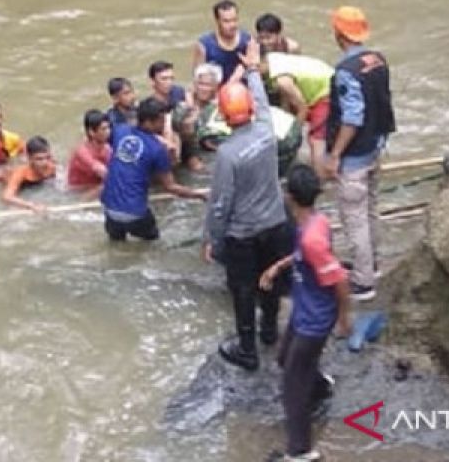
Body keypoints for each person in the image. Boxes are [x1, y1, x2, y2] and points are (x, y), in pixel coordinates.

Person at [203, 39, 294, 371]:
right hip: (275, 223)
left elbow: (219, 204)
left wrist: (211, 240)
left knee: (243, 289)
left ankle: (247, 349)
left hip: (243, 235)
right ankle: (269, 331)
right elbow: (260, 101)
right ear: (250, 111)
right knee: (268, 281)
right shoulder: (267, 131)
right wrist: (253, 69)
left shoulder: (227, 154)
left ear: (225, 117)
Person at [260, 165, 351, 462]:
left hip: (315, 319)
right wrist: (280, 266)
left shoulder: (312, 238)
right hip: (304, 310)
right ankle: (321, 387)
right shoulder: (316, 222)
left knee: (291, 389)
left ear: (289, 197)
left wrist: (343, 319)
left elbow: (339, 278)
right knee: (286, 358)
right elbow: (306, 255)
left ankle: (301, 451)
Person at [318, 6, 395, 302]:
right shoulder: (378, 60)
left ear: (339, 34)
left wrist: (335, 154)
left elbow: (352, 118)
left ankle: (363, 283)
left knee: (354, 218)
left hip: (355, 156)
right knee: (370, 208)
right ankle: (371, 265)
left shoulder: (345, 72)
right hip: (376, 146)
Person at [100, 97, 208, 241]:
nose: (164, 124)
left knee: (116, 245)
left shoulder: (119, 131)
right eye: (161, 121)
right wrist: (200, 196)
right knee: (154, 244)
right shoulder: (157, 150)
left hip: (109, 208)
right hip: (135, 214)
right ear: (149, 122)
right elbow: (171, 187)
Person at [261, 51, 334, 169]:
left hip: (327, 92)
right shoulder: (272, 58)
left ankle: (319, 177)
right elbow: (286, 101)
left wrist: (293, 137)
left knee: (316, 139)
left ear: (262, 61)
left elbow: (303, 109)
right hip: (324, 78)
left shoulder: (282, 81)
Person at [194, 0, 252, 86]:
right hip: (216, 95)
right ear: (217, 21)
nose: (232, 25)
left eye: (234, 20)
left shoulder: (248, 41)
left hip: (243, 93)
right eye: (226, 21)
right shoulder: (204, 45)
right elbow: (197, 80)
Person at [0, 136, 56, 214]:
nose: (45, 163)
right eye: (39, 159)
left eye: (47, 157)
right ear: (29, 159)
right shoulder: (21, 173)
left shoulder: (52, 167)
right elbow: (6, 197)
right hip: (9, 179)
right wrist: (31, 205)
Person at [67, 109, 112, 197]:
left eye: (108, 127)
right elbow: (100, 170)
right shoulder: (82, 151)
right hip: (75, 193)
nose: (108, 131)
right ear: (91, 132)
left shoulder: (107, 148)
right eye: (103, 129)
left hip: (95, 187)